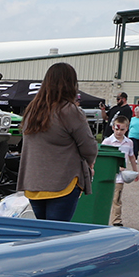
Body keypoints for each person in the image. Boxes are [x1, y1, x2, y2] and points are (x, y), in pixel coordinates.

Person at [17, 61, 98, 221]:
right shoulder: (69, 111)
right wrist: (90, 163)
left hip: (34, 182)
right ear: (71, 84)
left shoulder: (32, 110)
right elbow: (89, 148)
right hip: (62, 183)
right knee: (57, 235)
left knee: (44, 232)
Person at [102, 121, 138, 226]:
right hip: (108, 174)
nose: (119, 132)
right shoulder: (107, 141)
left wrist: (135, 171)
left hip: (119, 177)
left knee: (116, 198)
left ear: (126, 129)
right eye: (117, 129)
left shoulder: (129, 142)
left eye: (122, 130)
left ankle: (116, 220)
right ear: (113, 128)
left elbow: (132, 156)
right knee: (105, 197)